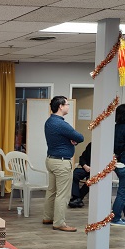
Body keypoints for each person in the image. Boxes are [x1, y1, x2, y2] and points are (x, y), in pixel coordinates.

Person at [43, 96, 84, 232]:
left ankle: (48, 217)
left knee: (52, 191)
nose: (68, 106)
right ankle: (59, 223)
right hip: (61, 163)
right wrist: (72, 140)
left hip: (51, 160)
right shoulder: (61, 124)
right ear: (60, 106)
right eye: (67, 104)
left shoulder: (49, 121)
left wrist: (70, 140)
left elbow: (64, 138)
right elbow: (80, 137)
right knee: (63, 194)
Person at [69, 142, 91, 208]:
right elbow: (82, 158)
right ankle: (76, 197)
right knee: (74, 175)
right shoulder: (91, 145)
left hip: (99, 171)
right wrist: (85, 166)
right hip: (87, 168)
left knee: (91, 180)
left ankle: (78, 198)